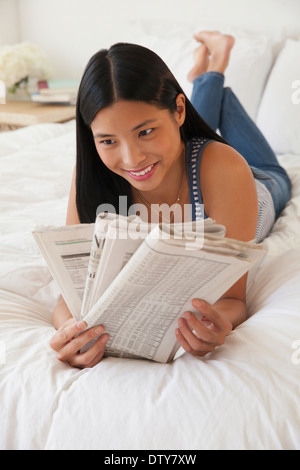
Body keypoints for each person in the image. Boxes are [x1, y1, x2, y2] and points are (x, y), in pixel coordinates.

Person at [50, 31, 291, 368]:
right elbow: (69, 294)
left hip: (259, 185)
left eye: (144, 132)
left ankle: (215, 67)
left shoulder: (225, 168)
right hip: (182, 152)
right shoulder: (92, 174)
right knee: (169, 145)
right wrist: (69, 330)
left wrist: (214, 324)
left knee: (271, 170)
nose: (132, 159)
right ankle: (206, 75)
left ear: (180, 110)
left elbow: (233, 298)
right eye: (107, 141)